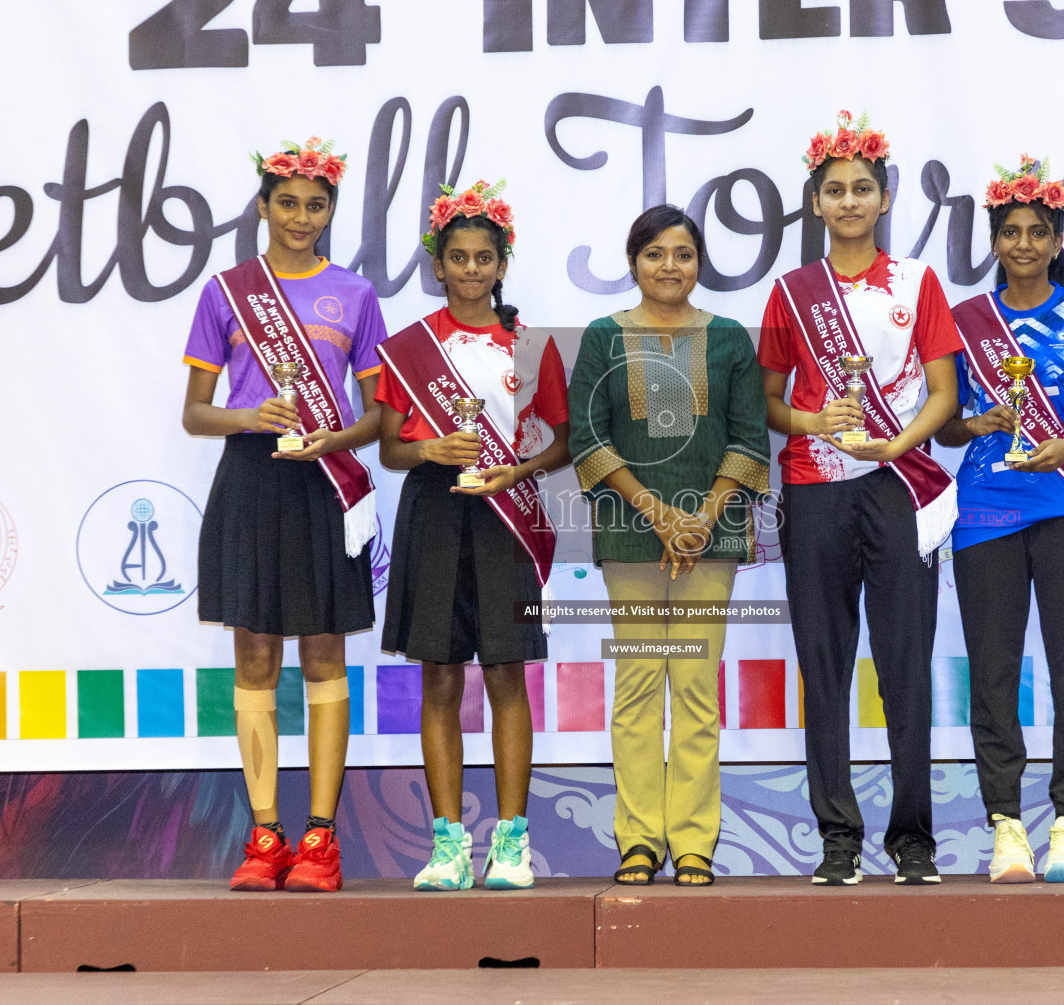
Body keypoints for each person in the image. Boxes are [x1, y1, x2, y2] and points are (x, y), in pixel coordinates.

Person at [759, 112, 963, 887]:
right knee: (825, 663)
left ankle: (914, 839)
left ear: (883, 200)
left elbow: (943, 392)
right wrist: (815, 422)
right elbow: (770, 402)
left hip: (897, 485)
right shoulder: (791, 293)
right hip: (815, 490)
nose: (849, 202)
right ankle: (836, 837)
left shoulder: (917, 283)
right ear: (815, 203)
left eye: (862, 189)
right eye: (835, 190)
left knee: (905, 664)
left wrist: (900, 442)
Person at [182, 137, 384, 893]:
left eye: (317, 205)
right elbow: (195, 415)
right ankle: (264, 834)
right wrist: (249, 415)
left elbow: (377, 416)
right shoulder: (226, 292)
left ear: (330, 211)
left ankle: (320, 839)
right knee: (258, 656)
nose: (302, 218)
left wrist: (337, 436)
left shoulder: (356, 295)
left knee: (325, 654)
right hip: (251, 480)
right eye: (288, 203)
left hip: (324, 481)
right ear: (262, 207)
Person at [936, 155, 1064, 883]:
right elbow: (944, 428)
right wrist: (976, 420)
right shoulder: (965, 322)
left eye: (1038, 232)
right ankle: (1005, 828)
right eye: (1011, 232)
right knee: (992, 675)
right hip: (985, 511)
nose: (1023, 244)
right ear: (994, 242)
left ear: (1057, 242)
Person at [568, 205, 771, 887]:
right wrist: (658, 514)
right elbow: (587, 441)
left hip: (710, 540)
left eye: (682, 254)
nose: (669, 266)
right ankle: (637, 840)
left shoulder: (729, 341)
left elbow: (749, 440)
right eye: (655, 254)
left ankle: (692, 841)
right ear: (633, 263)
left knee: (693, 689)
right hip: (631, 537)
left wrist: (701, 518)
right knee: (636, 689)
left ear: (699, 264)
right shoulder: (602, 337)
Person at [376, 181, 570, 891]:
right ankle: (448, 844)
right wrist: (429, 452)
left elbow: (566, 443)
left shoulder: (531, 346)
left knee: (505, 674)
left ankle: (512, 844)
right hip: (432, 512)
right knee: (438, 678)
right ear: (439, 262)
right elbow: (392, 449)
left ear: (501, 263)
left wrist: (517, 467)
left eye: (483, 257)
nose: (470, 270)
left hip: (504, 517)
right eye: (457, 257)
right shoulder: (406, 348)